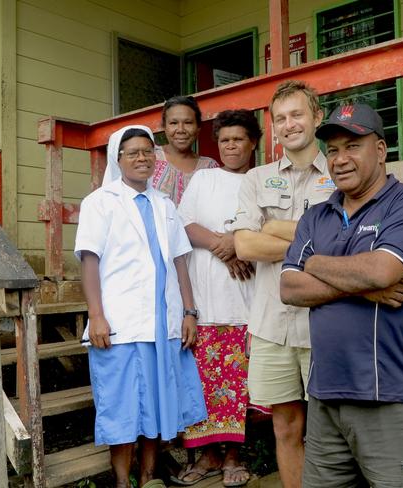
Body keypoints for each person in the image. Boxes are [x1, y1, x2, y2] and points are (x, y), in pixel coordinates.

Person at [280, 104, 403, 487]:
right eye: (333, 150)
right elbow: (289, 288)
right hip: (324, 398)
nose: (340, 159)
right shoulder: (315, 216)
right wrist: (366, 290)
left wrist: (315, 264)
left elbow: (382, 270)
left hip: (391, 395)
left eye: (352, 146)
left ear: (381, 150)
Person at [74, 125, 207, 488]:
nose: (142, 158)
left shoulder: (165, 204)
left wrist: (190, 312)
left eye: (148, 151)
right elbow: (89, 260)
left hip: (161, 325)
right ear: (118, 159)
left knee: (159, 409)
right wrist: (96, 316)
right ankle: (122, 481)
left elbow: (180, 262)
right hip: (119, 326)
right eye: (132, 152)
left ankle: (149, 478)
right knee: (121, 410)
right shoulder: (100, 202)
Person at [231, 80, 334, 488]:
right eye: (280, 118)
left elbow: (344, 243)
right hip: (272, 325)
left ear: (316, 118)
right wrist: (312, 238)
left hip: (325, 324)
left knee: (333, 431)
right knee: (285, 428)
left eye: (297, 114)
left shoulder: (340, 173)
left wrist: (273, 226)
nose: (289, 124)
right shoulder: (256, 178)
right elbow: (243, 243)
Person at [171, 109, 262, 487]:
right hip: (204, 300)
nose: (230, 146)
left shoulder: (262, 180)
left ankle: (233, 457)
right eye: (224, 140)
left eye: (238, 139)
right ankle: (207, 455)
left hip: (246, 300)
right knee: (203, 384)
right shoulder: (203, 179)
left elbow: (270, 228)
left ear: (252, 143)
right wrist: (226, 246)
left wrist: (241, 244)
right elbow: (185, 225)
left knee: (238, 383)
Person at [152, 95, 219, 205]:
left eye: (188, 123)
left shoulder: (209, 167)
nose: (181, 130)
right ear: (164, 126)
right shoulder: (150, 157)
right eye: (173, 123)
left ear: (198, 128)